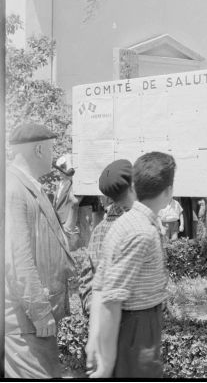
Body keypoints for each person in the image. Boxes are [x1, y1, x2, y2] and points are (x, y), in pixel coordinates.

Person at [86, 151, 176, 378]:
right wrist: (106, 365)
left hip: (134, 327)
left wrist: (93, 337)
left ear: (134, 186)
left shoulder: (125, 223)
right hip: (137, 331)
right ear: (168, 192)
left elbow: (99, 285)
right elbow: (112, 299)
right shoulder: (141, 232)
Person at [5, 123, 75, 378]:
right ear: (38, 149)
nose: (53, 155)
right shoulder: (13, 189)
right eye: (51, 149)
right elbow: (17, 258)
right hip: (25, 321)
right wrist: (40, 311)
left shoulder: (27, 185)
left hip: (31, 320)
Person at [79, 159, 136, 315]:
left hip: (104, 318)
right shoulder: (137, 225)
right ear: (133, 188)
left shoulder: (99, 229)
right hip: (131, 320)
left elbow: (87, 277)